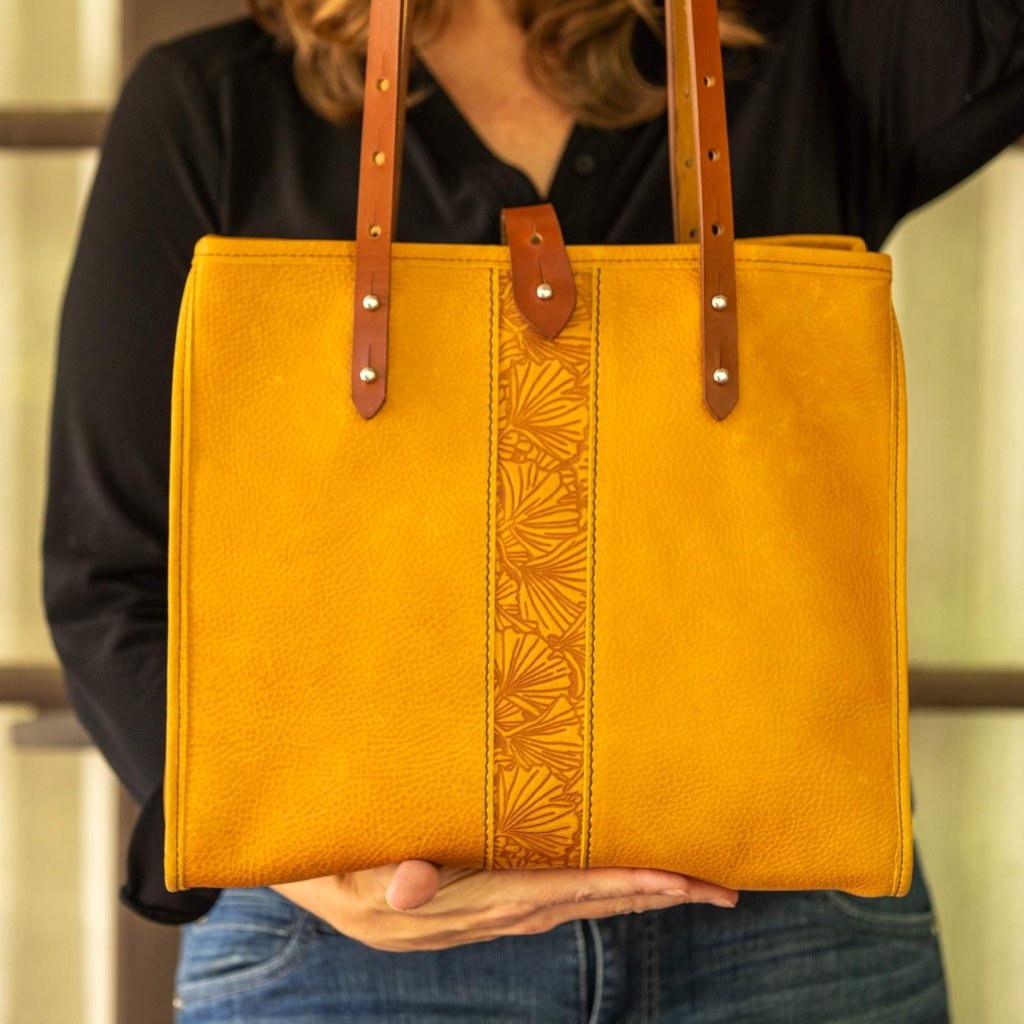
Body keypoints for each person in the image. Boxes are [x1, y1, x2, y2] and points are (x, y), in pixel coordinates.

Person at [44, 0, 1024, 1020]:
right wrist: (300, 866)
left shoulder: (799, 51)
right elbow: (107, 571)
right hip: (348, 944)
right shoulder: (215, 103)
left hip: (787, 929)